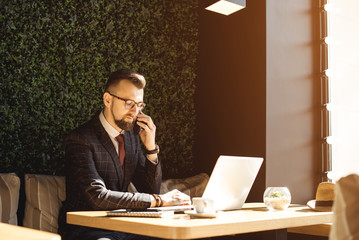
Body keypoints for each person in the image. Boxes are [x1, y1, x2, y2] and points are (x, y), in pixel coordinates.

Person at [58, 69, 190, 240]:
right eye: (129, 103)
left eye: (139, 105)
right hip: (87, 230)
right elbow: (97, 196)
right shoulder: (80, 139)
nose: (135, 112)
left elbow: (149, 189)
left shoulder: (131, 138)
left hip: (124, 226)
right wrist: (159, 200)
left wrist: (151, 149)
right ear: (107, 99)